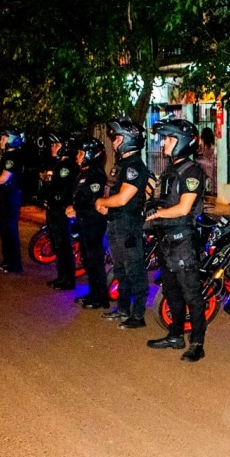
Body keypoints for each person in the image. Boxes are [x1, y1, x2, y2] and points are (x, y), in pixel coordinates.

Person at [144, 118, 207, 362]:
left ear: (182, 142)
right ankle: (175, 334)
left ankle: (197, 344)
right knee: (171, 291)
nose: (164, 143)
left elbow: (183, 208)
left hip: (182, 240)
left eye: (169, 139)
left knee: (192, 294)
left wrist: (157, 214)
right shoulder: (171, 169)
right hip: (166, 239)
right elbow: (163, 200)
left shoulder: (192, 171)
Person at [96, 118, 151, 328]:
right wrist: (105, 205)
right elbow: (113, 193)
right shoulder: (122, 165)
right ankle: (122, 309)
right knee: (120, 270)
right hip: (116, 223)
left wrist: (102, 202)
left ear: (129, 140)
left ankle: (138, 316)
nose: (114, 142)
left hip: (128, 225)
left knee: (135, 270)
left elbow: (123, 198)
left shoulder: (135, 166)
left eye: (118, 138)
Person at [66, 137, 109, 310]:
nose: (77, 156)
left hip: (93, 222)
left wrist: (76, 208)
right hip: (84, 221)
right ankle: (93, 293)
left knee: (95, 260)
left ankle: (101, 298)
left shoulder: (96, 174)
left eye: (81, 153)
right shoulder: (84, 172)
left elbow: (92, 200)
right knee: (88, 260)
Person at [39, 131, 77, 290]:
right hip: (53, 209)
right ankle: (61, 276)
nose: (52, 147)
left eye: (56, 144)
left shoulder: (67, 166)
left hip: (61, 210)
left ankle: (68, 279)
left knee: (63, 245)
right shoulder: (56, 164)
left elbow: (56, 186)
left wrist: (47, 181)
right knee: (56, 245)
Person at [0, 127, 24, 274]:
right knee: (3, 229)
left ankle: (14, 264)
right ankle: (7, 260)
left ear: (12, 139)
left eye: (4, 138)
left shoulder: (13, 157)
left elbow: (4, 177)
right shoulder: (4, 156)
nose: (1, 141)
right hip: (3, 196)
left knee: (10, 229)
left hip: (11, 196)